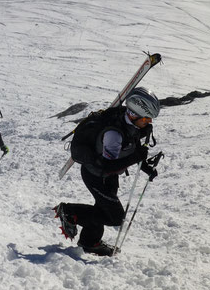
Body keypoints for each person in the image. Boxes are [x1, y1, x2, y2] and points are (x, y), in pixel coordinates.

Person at [54, 87, 161, 256]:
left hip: (108, 177)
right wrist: (135, 158)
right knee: (115, 217)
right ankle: (69, 211)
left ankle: (90, 242)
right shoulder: (114, 134)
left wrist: (145, 166)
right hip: (96, 176)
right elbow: (106, 166)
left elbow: (132, 148)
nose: (149, 122)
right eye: (147, 118)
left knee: (101, 209)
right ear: (134, 114)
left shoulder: (130, 124)